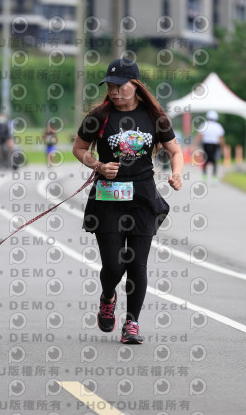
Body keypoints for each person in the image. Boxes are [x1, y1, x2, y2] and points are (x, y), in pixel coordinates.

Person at [72, 58, 184, 344]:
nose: (114, 91)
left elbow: (175, 150)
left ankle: (131, 323)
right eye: (110, 86)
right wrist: (97, 166)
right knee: (113, 264)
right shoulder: (99, 115)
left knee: (137, 264)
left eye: (120, 86)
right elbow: (79, 148)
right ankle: (108, 296)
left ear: (135, 85)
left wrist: (177, 174)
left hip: (142, 197)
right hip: (108, 197)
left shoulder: (154, 116)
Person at [194, 110, 225, 183]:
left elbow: (199, 136)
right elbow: (221, 138)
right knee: (214, 161)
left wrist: (194, 144)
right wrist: (223, 147)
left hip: (206, 144)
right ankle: (214, 177)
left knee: (205, 160)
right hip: (215, 145)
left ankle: (204, 176)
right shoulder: (218, 126)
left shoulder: (204, 125)